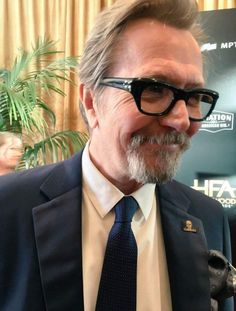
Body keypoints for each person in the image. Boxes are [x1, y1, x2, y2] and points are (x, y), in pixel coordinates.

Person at [0, 0, 233, 310]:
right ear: (91, 100)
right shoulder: (8, 210)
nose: (181, 119)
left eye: (193, 97)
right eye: (153, 89)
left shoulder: (208, 218)